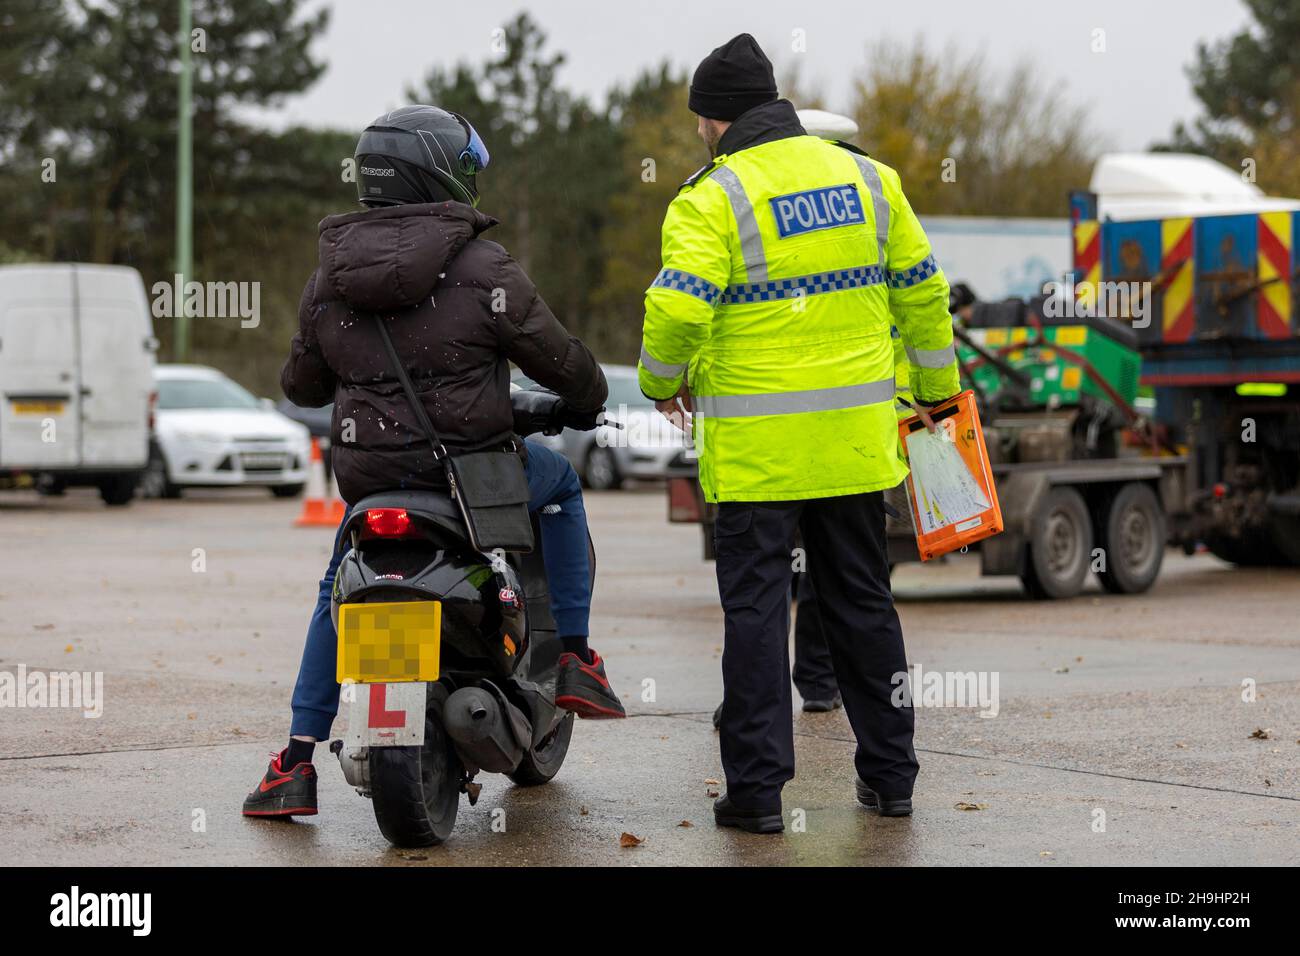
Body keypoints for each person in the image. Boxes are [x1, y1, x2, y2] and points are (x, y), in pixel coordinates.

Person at [243, 105, 626, 819]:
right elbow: (561, 360)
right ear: (442, 172)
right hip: (469, 477)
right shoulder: (482, 267)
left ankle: (294, 761)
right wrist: (585, 394)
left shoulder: (330, 276)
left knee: (336, 586)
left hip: (371, 484)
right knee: (563, 486)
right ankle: (573, 655)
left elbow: (300, 384)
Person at [639, 35, 959, 833]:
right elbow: (924, 293)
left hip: (760, 459)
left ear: (713, 120)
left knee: (755, 616)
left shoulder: (713, 197)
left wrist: (656, 381)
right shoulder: (869, 179)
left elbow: (678, 308)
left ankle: (756, 797)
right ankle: (891, 779)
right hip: (854, 447)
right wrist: (937, 394)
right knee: (862, 605)